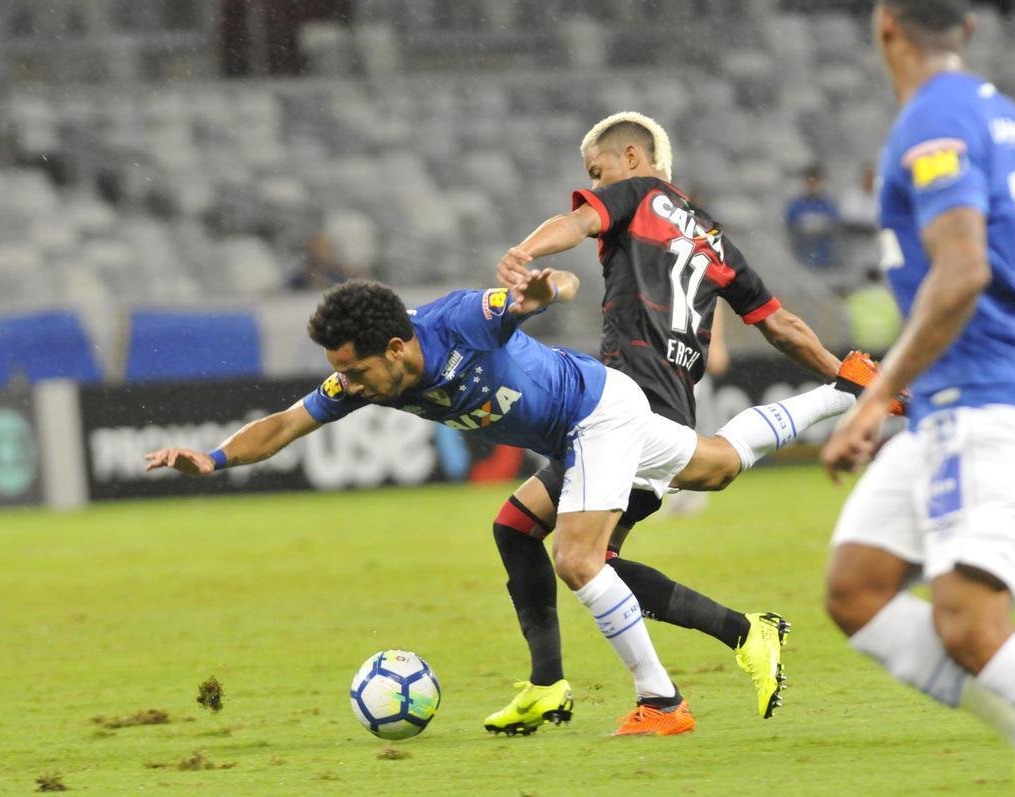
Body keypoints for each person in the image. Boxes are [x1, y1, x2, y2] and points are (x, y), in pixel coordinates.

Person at [145, 277, 872, 736]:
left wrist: (542, 289)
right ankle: (848, 388)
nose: (348, 383)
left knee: (581, 559)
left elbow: (530, 296)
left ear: (397, 346)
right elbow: (281, 425)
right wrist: (210, 458)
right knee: (704, 468)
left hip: (595, 415)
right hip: (587, 421)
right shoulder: (364, 379)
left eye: (355, 368)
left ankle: (662, 703)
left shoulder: (460, 320)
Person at [486, 111, 896, 736]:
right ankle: (560, 683)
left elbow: (576, 222)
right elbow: (779, 324)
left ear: (631, 157)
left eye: (596, 171)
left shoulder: (636, 193)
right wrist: (838, 366)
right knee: (526, 530)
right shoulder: (713, 238)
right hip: (667, 404)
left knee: (583, 559)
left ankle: (667, 697)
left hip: (624, 407)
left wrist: (526, 250)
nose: (593, 183)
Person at [820, 2, 1015, 794]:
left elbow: (963, 272)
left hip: (994, 405)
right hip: (962, 408)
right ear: (969, 29)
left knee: (968, 624)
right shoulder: (1005, 119)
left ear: (886, 25)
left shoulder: (932, 125)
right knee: (857, 588)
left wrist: (875, 394)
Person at [785, 163, 840, 272]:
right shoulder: (796, 204)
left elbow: (835, 226)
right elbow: (789, 225)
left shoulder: (828, 204)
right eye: (810, 181)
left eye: (816, 181)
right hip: (799, 259)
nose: (813, 184)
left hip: (824, 261)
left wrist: (821, 227)